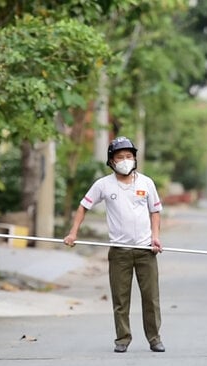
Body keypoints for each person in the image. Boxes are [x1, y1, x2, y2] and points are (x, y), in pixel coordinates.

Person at [63, 136, 165, 354]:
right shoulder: (103, 185)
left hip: (146, 250)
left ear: (135, 159)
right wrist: (73, 233)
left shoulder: (146, 183)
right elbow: (83, 207)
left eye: (129, 156)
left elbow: (155, 212)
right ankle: (122, 338)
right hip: (119, 252)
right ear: (111, 161)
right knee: (120, 299)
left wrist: (155, 237)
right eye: (120, 157)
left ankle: (154, 338)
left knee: (151, 298)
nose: (125, 160)